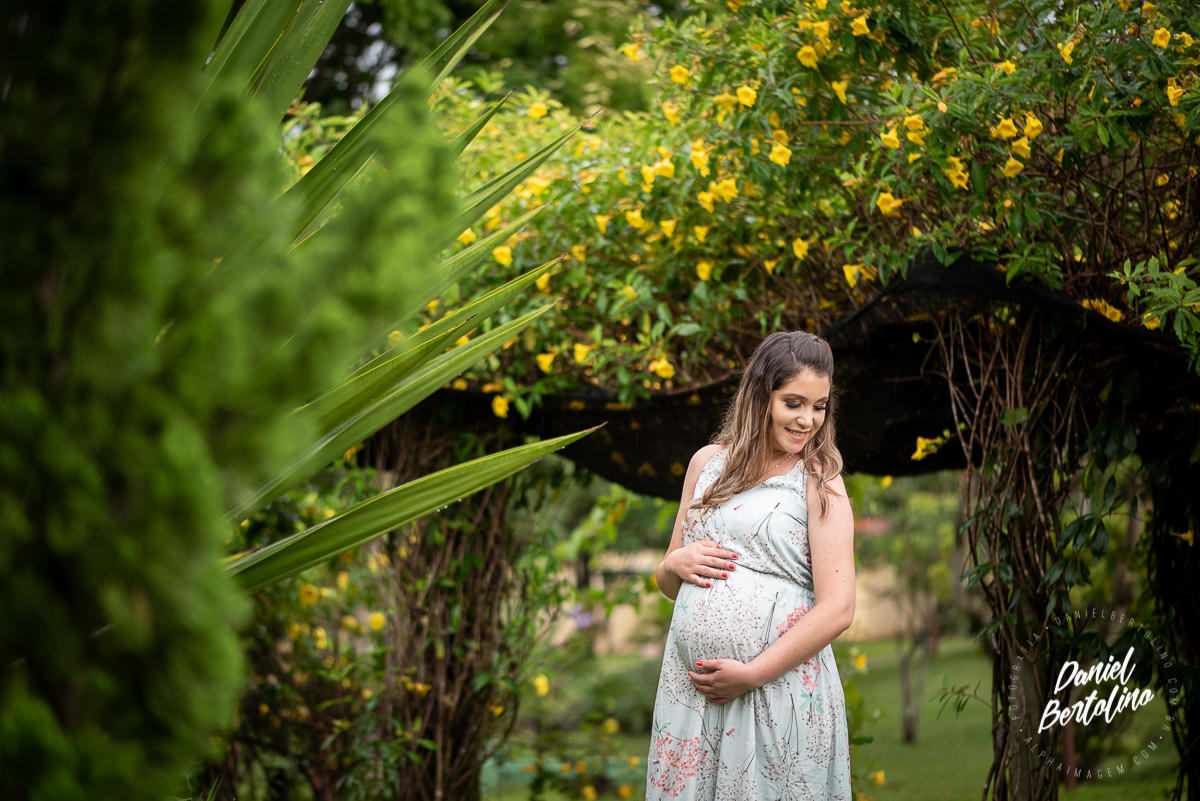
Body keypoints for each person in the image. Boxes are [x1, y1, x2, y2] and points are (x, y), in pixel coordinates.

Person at [644, 331, 855, 800]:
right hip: (693, 696)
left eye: (819, 406)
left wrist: (753, 673)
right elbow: (668, 581)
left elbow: (839, 608)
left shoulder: (822, 481)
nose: (808, 420)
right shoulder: (706, 465)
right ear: (761, 396)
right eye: (793, 403)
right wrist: (674, 563)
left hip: (774, 689)